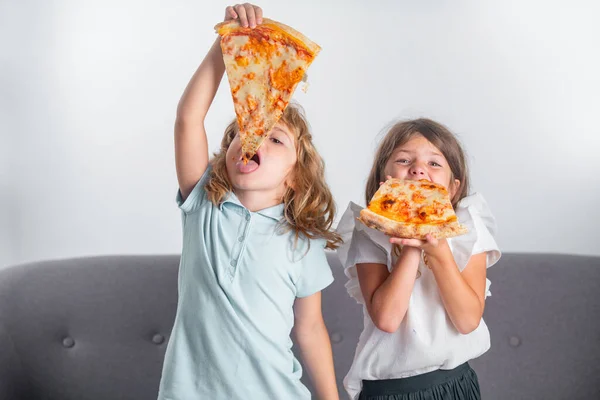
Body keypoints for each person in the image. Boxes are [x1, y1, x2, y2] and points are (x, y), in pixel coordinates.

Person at [157, 4, 340, 399]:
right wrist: (227, 40)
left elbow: (309, 329)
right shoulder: (203, 203)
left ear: (295, 176)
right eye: (243, 130)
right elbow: (189, 118)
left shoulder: (301, 240)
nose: (253, 138)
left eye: (275, 139)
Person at [337, 118, 501, 400]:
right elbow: (387, 319)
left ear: (452, 189)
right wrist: (412, 243)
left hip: (453, 385)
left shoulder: (471, 229)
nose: (418, 169)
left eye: (434, 164)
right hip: (388, 390)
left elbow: (467, 320)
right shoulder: (368, 232)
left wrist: (437, 249)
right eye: (403, 160)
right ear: (384, 182)